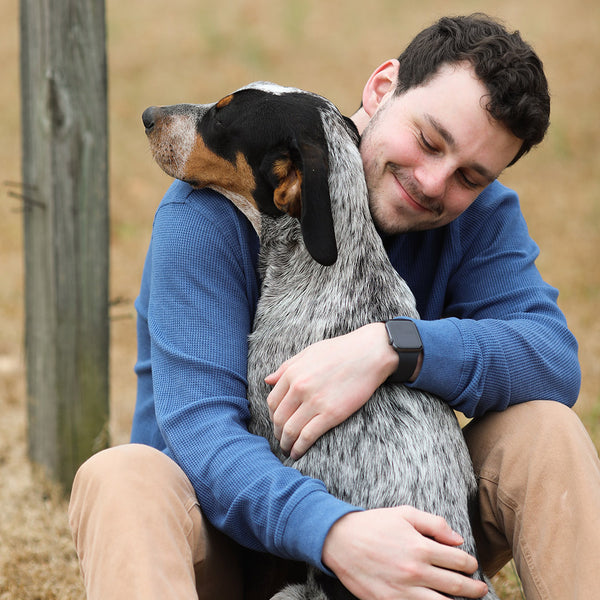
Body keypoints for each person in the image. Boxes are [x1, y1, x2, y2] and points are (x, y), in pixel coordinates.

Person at [69, 14, 600, 600]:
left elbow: (551, 360)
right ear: (381, 88)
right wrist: (337, 534)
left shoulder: (477, 215)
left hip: (413, 545)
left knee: (547, 431)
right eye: (428, 140)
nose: (432, 182)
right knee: (118, 478)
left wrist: (392, 347)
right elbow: (200, 432)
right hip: (227, 544)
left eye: (470, 176)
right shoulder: (215, 207)